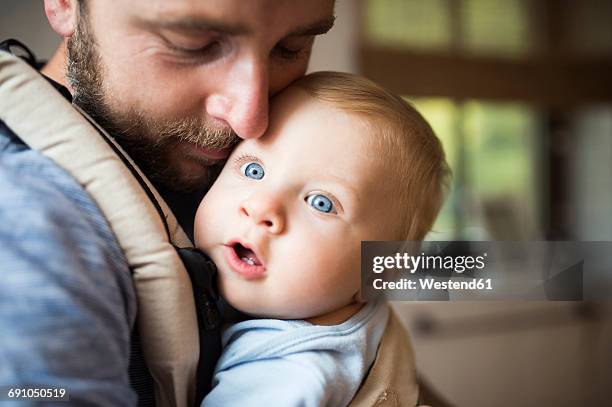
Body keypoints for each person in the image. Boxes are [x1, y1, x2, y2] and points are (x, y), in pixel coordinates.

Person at [0, 0, 334, 404]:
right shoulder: (25, 222)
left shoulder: (218, 152)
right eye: (192, 43)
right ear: (64, 5)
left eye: (292, 48)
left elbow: (411, 265)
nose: (251, 119)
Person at [193, 72, 450, 406]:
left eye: (321, 203)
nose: (260, 207)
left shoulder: (288, 375)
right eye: (253, 170)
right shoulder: (354, 310)